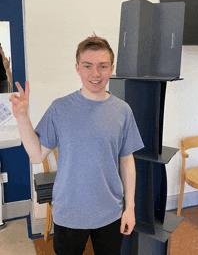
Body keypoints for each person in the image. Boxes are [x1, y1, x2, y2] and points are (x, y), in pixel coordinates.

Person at [9, 34, 144, 255]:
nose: (95, 73)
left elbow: (127, 160)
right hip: (69, 213)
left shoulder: (123, 111)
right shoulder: (60, 108)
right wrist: (22, 117)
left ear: (111, 69)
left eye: (103, 66)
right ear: (77, 68)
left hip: (110, 211)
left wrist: (130, 208)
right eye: (88, 65)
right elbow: (36, 155)